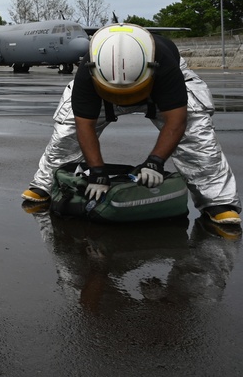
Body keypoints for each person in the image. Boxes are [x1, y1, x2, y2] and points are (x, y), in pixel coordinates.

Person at [21, 24, 241, 227]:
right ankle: (46, 184)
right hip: (101, 86)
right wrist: (97, 171)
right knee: (66, 131)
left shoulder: (165, 67)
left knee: (195, 130)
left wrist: (155, 162)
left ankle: (218, 201)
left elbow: (177, 121)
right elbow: (83, 127)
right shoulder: (87, 75)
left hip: (157, 83)